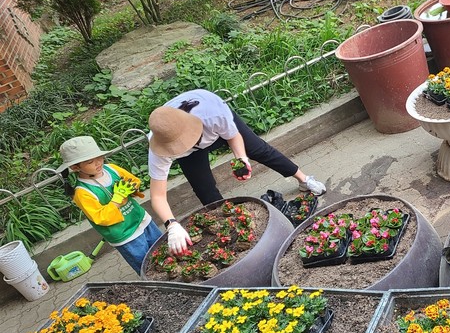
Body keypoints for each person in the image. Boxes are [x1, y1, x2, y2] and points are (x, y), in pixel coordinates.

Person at [147, 89, 327, 255]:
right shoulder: (160, 145)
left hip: (213, 128)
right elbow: (157, 196)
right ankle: (230, 226)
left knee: (259, 150)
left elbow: (233, 136)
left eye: (184, 142)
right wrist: (172, 224)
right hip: (190, 150)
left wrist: (241, 159)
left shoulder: (213, 113)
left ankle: (303, 179)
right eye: (177, 147)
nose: (183, 146)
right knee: (204, 188)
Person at [57, 136, 162, 275]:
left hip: (142, 220)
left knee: (164, 250)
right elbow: (101, 217)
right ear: (75, 167)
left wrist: (130, 187)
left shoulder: (111, 169)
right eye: (90, 161)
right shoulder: (82, 192)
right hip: (125, 235)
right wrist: (117, 198)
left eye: (99, 157)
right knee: (147, 268)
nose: (98, 162)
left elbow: (134, 180)